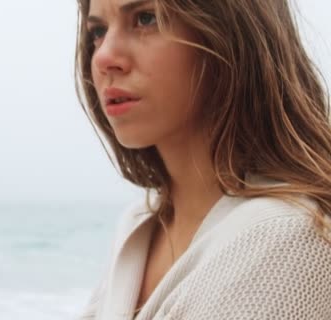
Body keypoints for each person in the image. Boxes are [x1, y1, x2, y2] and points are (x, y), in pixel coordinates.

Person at [74, 0, 331, 319]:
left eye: (146, 18)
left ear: (230, 33)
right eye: (98, 31)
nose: (104, 58)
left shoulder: (286, 239)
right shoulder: (137, 227)